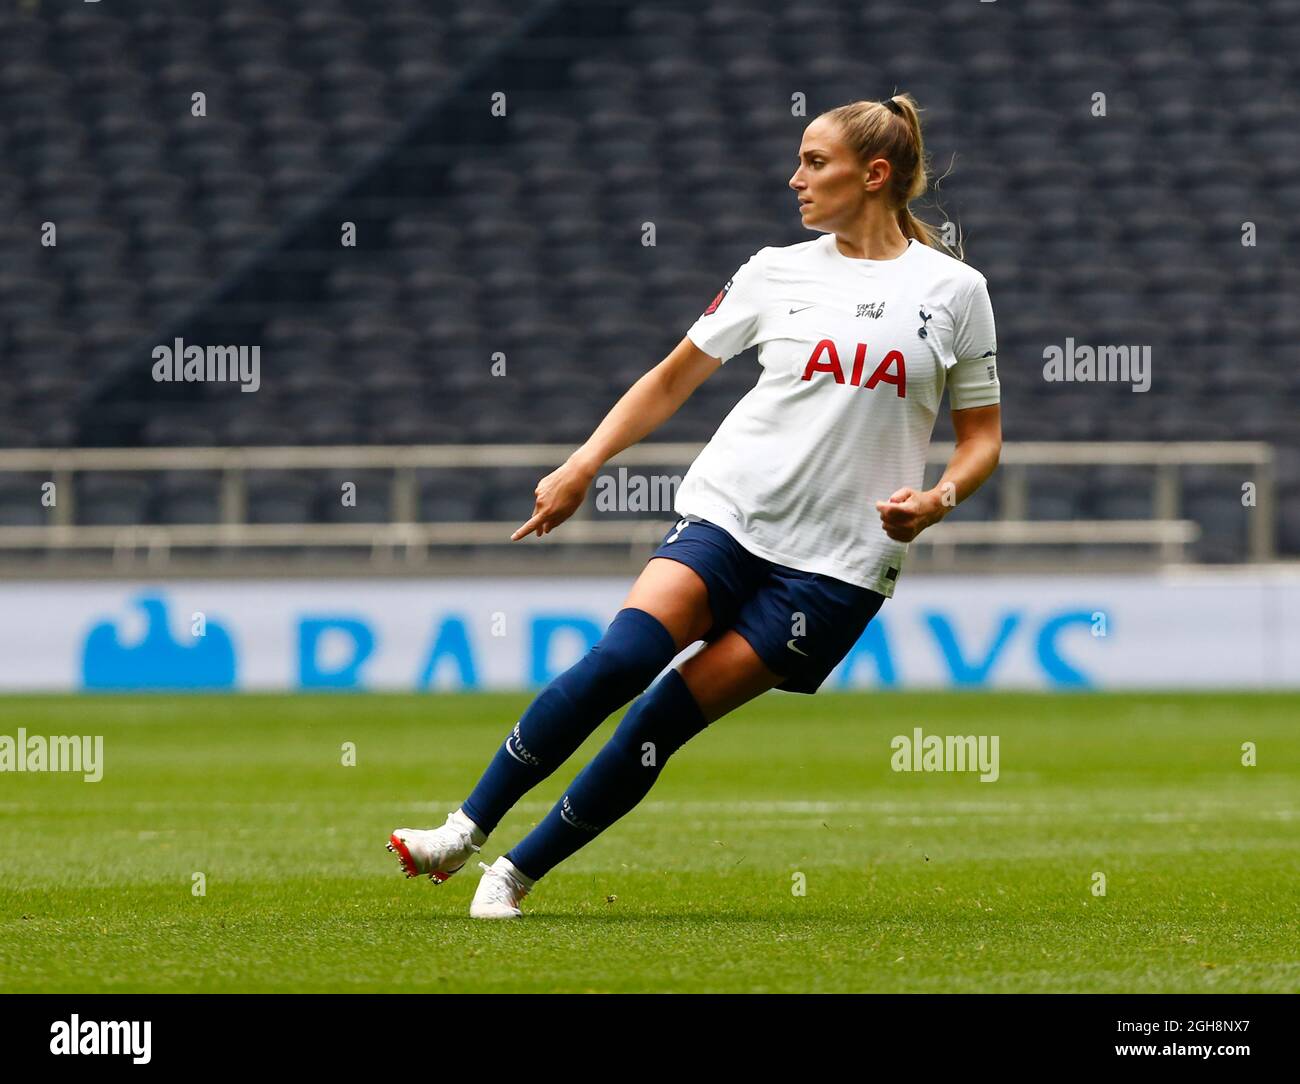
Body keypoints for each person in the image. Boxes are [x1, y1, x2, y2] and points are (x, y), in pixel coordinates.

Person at [388, 93, 1002, 918]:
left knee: (664, 718)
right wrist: (585, 464)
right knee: (620, 661)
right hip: (732, 517)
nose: (796, 179)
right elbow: (673, 377)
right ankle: (462, 831)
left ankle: (516, 874)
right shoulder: (773, 270)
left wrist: (938, 499)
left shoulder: (955, 290)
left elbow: (982, 437)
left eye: (815, 162)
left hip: (837, 569)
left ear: (875, 174)